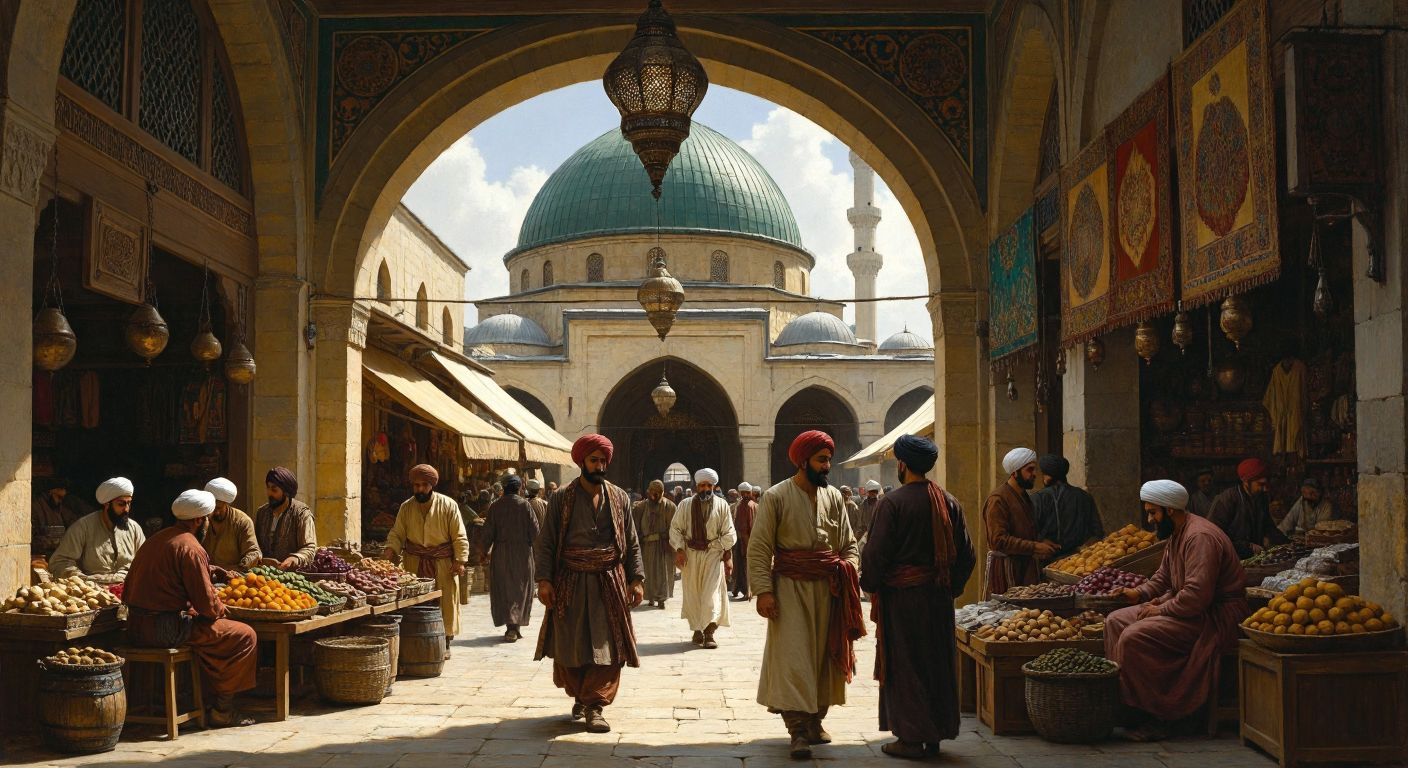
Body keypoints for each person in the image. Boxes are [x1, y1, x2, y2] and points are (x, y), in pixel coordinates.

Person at [749, 430, 864, 760]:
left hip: (829, 590)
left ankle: (816, 721)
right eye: (821, 460)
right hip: (790, 589)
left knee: (826, 657)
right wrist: (764, 591)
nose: (827, 466)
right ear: (803, 461)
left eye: (828, 460)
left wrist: (849, 571)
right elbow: (759, 548)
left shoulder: (834, 498)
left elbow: (849, 545)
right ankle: (797, 730)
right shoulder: (776, 496)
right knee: (794, 658)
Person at [861, 435, 976, 759]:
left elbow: (875, 554)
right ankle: (934, 735)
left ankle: (911, 740)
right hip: (938, 599)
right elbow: (968, 555)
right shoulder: (948, 501)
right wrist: (950, 587)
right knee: (936, 663)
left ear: (902, 465)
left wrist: (870, 584)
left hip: (902, 601)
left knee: (907, 666)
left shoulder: (893, 503)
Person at [1105, 480, 1248, 742]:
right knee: (1115, 621)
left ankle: (1162, 716)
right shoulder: (1177, 533)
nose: (1150, 520)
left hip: (1214, 618)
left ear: (1169, 510)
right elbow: (1163, 577)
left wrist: (1159, 610)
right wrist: (1138, 594)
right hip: (1189, 609)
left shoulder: (1199, 537)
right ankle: (1131, 706)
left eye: (1153, 513)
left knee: (1135, 637)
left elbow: (1196, 597)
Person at [534, 434, 645, 734]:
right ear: (582, 461)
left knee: (609, 645)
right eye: (594, 460)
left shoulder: (619, 498)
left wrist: (636, 579)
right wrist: (544, 580)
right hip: (570, 581)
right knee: (571, 643)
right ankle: (581, 696)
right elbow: (546, 543)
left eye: (603, 461)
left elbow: (631, 541)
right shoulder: (561, 498)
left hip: (609, 582)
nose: (599, 466)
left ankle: (595, 705)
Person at [124, 490, 257, 727]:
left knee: (210, 631)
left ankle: (196, 699)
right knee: (244, 635)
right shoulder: (191, 547)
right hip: (164, 629)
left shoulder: (158, 538)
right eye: (206, 519)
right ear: (198, 520)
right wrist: (223, 608)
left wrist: (210, 572)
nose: (207, 524)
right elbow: (208, 607)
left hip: (135, 626)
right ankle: (222, 711)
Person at [385, 464, 470, 645]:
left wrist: (460, 560)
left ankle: (446, 640)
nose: (420, 489)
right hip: (414, 563)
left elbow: (459, 535)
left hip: (443, 564)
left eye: (424, 485)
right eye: (417, 485)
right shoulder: (406, 507)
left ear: (431, 485)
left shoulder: (448, 505)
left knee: (445, 602)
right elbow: (397, 533)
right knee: (416, 603)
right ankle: (417, 641)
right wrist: (390, 550)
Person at [669, 468, 736, 649]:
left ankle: (709, 633)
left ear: (714, 486)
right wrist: (680, 549)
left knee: (710, 595)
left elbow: (729, 532)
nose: (705, 488)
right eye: (702, 485)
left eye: (708, 485)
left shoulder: (722, 505)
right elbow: (675, 529)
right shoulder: (685, 505)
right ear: (696, 486)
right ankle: (697, 629)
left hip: (713, 555)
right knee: (693, 595)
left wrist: (723, 552)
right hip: (691, 555)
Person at [982, 448, 1057, 597]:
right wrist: (1034, 547)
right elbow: (998, 541)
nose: (1034, 474)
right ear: (1014, 472)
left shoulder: (1023, 496)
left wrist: (1041, 543)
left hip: (1024, 569)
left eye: (1034, 469)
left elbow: (1023, 530)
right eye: (1029, 469)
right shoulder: (998, 499)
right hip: (1006, 570)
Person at [50, 477, 146, 581]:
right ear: (107, 504)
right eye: (121, 504)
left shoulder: (134, 528)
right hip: (94, 588)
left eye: (129, 503)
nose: (126, 509)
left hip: (129, 587)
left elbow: (146, 560)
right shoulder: (83, 527)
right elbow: (60, 562)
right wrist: (84, 580)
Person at [480, 474, 539, 641]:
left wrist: (483, 552)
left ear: (504, 488)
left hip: (501, 554)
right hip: (523, 554)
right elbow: (535, 532)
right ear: (519, 488)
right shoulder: (525, 505)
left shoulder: (495, 506)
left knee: (505, 589)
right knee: (520, 589)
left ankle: (511, 627)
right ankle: (514, 627)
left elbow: (487, 533)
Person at [1208, 458, 1288, 559]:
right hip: (1231, 559)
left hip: (1254, 558)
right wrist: (1247, 546)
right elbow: (1212, 536)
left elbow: (1268, 527)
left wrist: (1287, 542)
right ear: (1246, 482)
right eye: (1261, 484)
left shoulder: (1261, 497)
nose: (1265, 489)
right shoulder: (1227, 499)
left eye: (1267, 484)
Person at [1030, 454, 1104, 559]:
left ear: (1048, 476)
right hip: (1079, 561)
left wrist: (1041, 540)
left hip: (1048, 561)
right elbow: (1098, 532)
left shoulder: (1038, 498)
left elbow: (1028, 532)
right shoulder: (1084, 496)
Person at [253, 467, 317, 570]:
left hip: (293, 574)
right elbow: (254, 544)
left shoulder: (301, 513)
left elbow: (309, 548)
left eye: (274, 490)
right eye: (268, 488)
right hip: (264, 574)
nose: (269, 493)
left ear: (286, 492)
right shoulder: (262, 513)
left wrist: (294, 559)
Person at [200, 477, 260, 574]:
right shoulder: (201, 519)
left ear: (227, 503)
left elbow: (253, 552)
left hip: (232, 575)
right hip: (205, 573)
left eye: (219, 508)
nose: (216, 512)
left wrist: (245, 564)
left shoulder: (242, 521)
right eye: (212, 508)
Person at [632, 479, 676, 609]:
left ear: (662, 492)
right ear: (648, 491)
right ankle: (650, 596)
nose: (655, 495)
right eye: (653, 491)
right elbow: (635, 525)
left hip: (662, 545)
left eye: (658, 492)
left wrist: (667, 538)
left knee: (662, 573)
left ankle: (661, 598)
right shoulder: (641, 507)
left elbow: (674, 527)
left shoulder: (670, 507)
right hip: (646, 546)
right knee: (648, 572)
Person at [31, 478, 91, 551]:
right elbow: (32, 538)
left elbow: (73, 522)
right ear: (50, 492)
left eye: (62, 498)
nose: (60, 501)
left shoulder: (60, 508)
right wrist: (52, 542)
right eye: (59, 497)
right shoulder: (36, 508)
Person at [731, 483, 756, 600]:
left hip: (745, 542)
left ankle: (748, 592)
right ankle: (741, 590)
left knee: (745, 567)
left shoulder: (746, 506)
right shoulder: (747, 505)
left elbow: (744, 528)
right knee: (741, 567)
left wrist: (747, 545)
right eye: (743, 493)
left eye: (747, 493)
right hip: (745, 541)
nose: (745, 495)